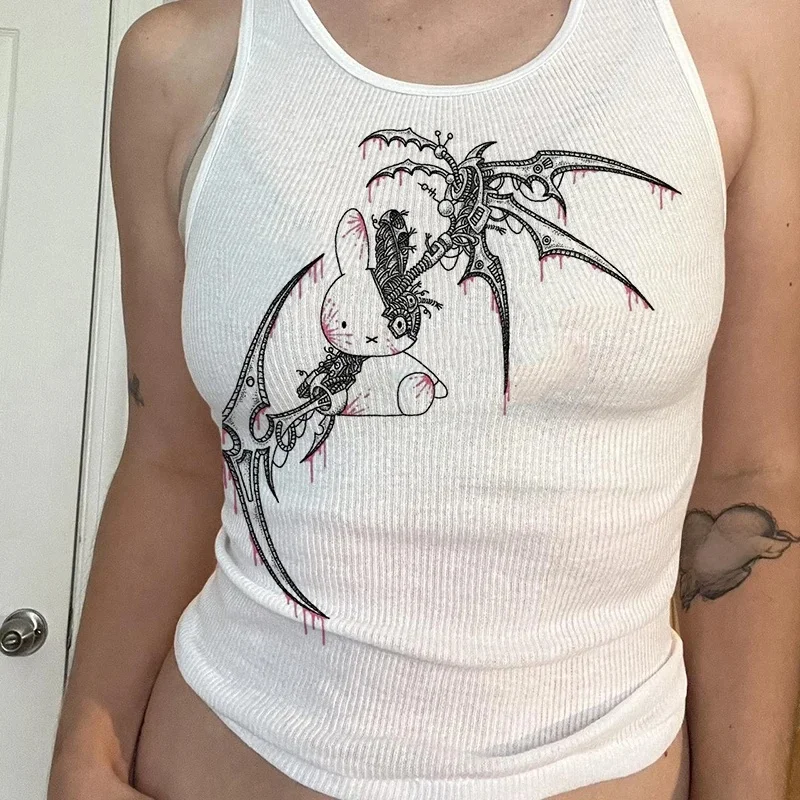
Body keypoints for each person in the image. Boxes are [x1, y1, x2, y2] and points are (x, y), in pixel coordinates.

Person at [47, 0, 800, 798]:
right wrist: (84, 757)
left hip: (600, 760)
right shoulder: (184, 62)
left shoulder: (731, 35)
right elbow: (171, 458)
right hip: (219, 756)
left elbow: (752, 472)